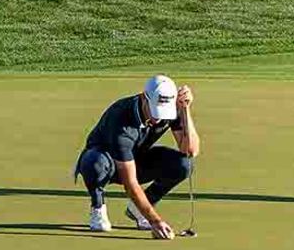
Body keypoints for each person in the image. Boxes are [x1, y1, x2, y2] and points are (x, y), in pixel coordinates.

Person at [74, 75, 200, 237]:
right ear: (143, 98)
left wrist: (185, 110)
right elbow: (130, 183)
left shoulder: (170, 110)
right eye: (155, 111)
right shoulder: (122, 121)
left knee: (185, 164)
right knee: (94, 163)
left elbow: (190, 150)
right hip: (107, 162)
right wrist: (155, 220)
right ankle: (98, 206)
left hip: (136, 157)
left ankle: (137, 210)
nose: (157, 118)